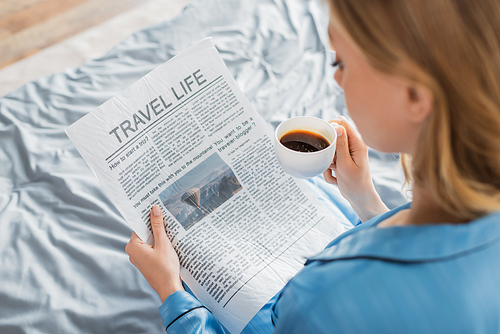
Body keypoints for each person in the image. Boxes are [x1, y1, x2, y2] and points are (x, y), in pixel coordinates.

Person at [126, 0, 500, 332]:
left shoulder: (320, 298)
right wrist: (366, 201)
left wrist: (171, 293)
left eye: (342, 62)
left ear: (416, 95)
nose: (336, 79)